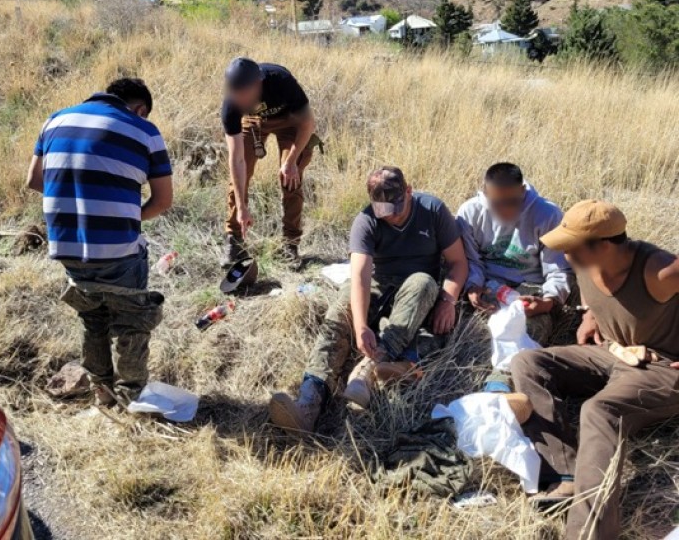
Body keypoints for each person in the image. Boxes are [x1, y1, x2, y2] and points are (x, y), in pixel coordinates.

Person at [511, 200, 679, 540]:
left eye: (570, 247)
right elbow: (594, 299)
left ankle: (589, 533)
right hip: (612, 353)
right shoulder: (585, 263)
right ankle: (567, 475)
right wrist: (591, 316)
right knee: (527, 362)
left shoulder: (660, 271)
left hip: (662, 369)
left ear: (603, 246)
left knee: (599, 412)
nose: (565, 255)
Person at [269, 166, 468, 432]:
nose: (392, 218)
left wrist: (448, 300)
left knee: (422, 283)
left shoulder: (433, 211)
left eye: (397, 208)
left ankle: (369, 370)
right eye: (384, 211)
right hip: (379, 284)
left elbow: (458, 263)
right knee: (341, 310)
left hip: (418, 288)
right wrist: (361, 326)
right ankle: (308, 403)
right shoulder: (366, 220)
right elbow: (361, 275)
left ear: (409, 191)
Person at [26, 78, 173, 406]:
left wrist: (79, 204)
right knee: (132, 322)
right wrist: (124, 217)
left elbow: (34, 180)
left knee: (93, 317)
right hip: (118, 250)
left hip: (65, 244)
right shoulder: (143, 130)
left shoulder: (56, 119)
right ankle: (130, 395)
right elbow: (163, 201)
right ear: (139, 109)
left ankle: (101, 393)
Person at [457, 162, 573, 392]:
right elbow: (471, 261)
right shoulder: (469, 213)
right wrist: (473, 285)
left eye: (512, 202)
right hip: (488, 283)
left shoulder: (547, 215)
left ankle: (502, 377)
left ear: (523, 191)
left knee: (531, 324)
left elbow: (558, 270)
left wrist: (548, 301)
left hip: (529, 287)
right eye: (496, 203)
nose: (505, 210)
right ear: (485, 193)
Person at [220, 57, 321, 268]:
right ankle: (234, 240)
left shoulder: (282, 81)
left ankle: (290, 244)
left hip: (290, 122)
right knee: (239, 178)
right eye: (236, 95)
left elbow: (308, 123)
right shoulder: (232, 105)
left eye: (245, 94)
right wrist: (241, 207)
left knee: (290, 179)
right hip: (254, 123)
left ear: (258, 84)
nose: (241, 100)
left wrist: (292, 161)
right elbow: (237, 159)